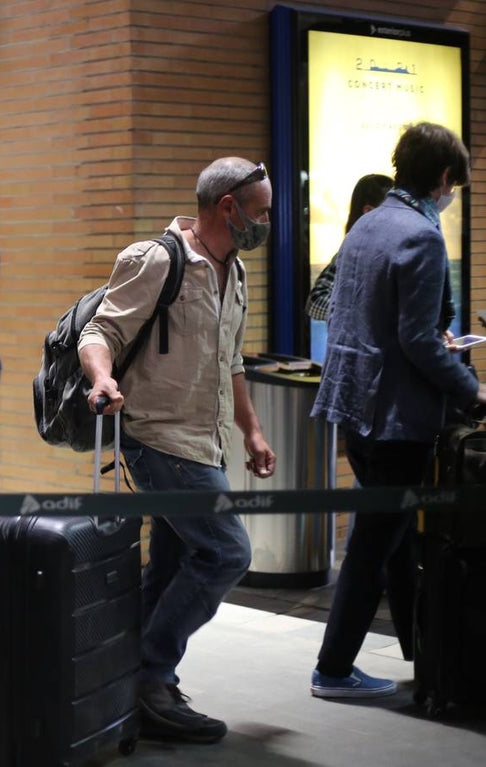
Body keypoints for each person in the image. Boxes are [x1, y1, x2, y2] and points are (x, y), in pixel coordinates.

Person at [78, 157, 278, 743]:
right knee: (225, 554)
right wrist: (101, 378)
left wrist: (252, 431)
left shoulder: (234, 270)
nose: (266, 222)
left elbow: (232, 362)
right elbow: (101, 332)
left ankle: (128, 680)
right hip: (158, 438)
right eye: (261, 211)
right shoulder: (157, 259)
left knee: (169, 564)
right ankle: (152, 677)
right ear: (227, 207)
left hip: (206, 440)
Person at [309, 122, 486, 699]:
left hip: (354, 406)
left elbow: (366, 317)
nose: (452, 195)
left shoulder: (368, 225)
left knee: (390, 535)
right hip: (396, 418)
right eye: (455, 184)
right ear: (443, 178)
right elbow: (417, 338)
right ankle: (333, 669)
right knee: (374, 543)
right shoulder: (420, 235)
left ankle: (422, 658)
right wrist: (470, 390)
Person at [305, 174, 393, 322]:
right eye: (391, 211)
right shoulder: (354, 253)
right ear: (368, 211)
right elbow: (315, 302)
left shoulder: (395, 251)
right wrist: (362, 315)